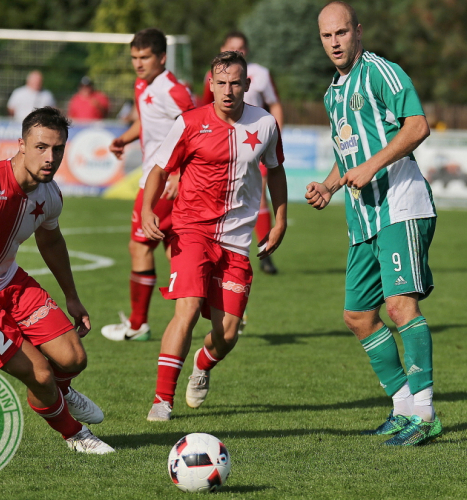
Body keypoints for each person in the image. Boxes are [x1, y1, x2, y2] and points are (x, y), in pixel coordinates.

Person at [306, 1, 441, 446]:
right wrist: (329, 186)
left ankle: (424, 415)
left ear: (358, 32)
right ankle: (403, 406)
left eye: (342, 33)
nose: (335, 43)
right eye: (327, 36)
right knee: (358, 316)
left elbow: (417, 126)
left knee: (401, 306)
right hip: (362, 218)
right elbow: (349, 156)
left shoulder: (382, 72)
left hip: (401, 206)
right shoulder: (333, 93)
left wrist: (373, 166)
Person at [142, 51, 287, 421]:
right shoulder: (189, 123)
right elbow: (160, 170)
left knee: (227, 334)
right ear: (210, 84)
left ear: (247, 85)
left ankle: (202, 364)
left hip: (236, 241)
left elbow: (276, 171)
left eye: (235, 83)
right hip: (191, 230)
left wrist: (281, 220)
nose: (227, 90)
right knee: (187, 308)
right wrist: (147, 209)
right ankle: (162, 400)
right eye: (220, 83)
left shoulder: (266, 124)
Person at [0, 107, 114, 455]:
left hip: (9, 283)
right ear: (21, 144)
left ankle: (61, 394)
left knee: (74, 358)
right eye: (41, 147)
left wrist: (72, 297)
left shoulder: (50, 196)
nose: (50, 158)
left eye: (58, 149)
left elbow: (51, 241)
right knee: (40, 374)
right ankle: (75, 434)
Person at [101, 28, 194, 342]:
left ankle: (138, 324)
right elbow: (145, 120)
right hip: (154, 176)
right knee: (173, 249)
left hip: (161, 181)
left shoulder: (175, 91)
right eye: (134, 58)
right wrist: (124, 139)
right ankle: (220, 307)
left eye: (145, 57)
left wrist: (179, 174)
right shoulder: (143, 84)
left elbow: (196, 131)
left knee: (140, 245)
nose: (138, 64)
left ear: (162, 57)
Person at [202, 31, 284, 275]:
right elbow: (204, 106)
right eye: (233, 47)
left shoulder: (260, 74)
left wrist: (275, 136)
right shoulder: (214, 75)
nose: (239, 51)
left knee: (259, 195)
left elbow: (275, 104)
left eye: (242, 48)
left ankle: (265, 252)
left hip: (254, 142)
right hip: (222, 144)